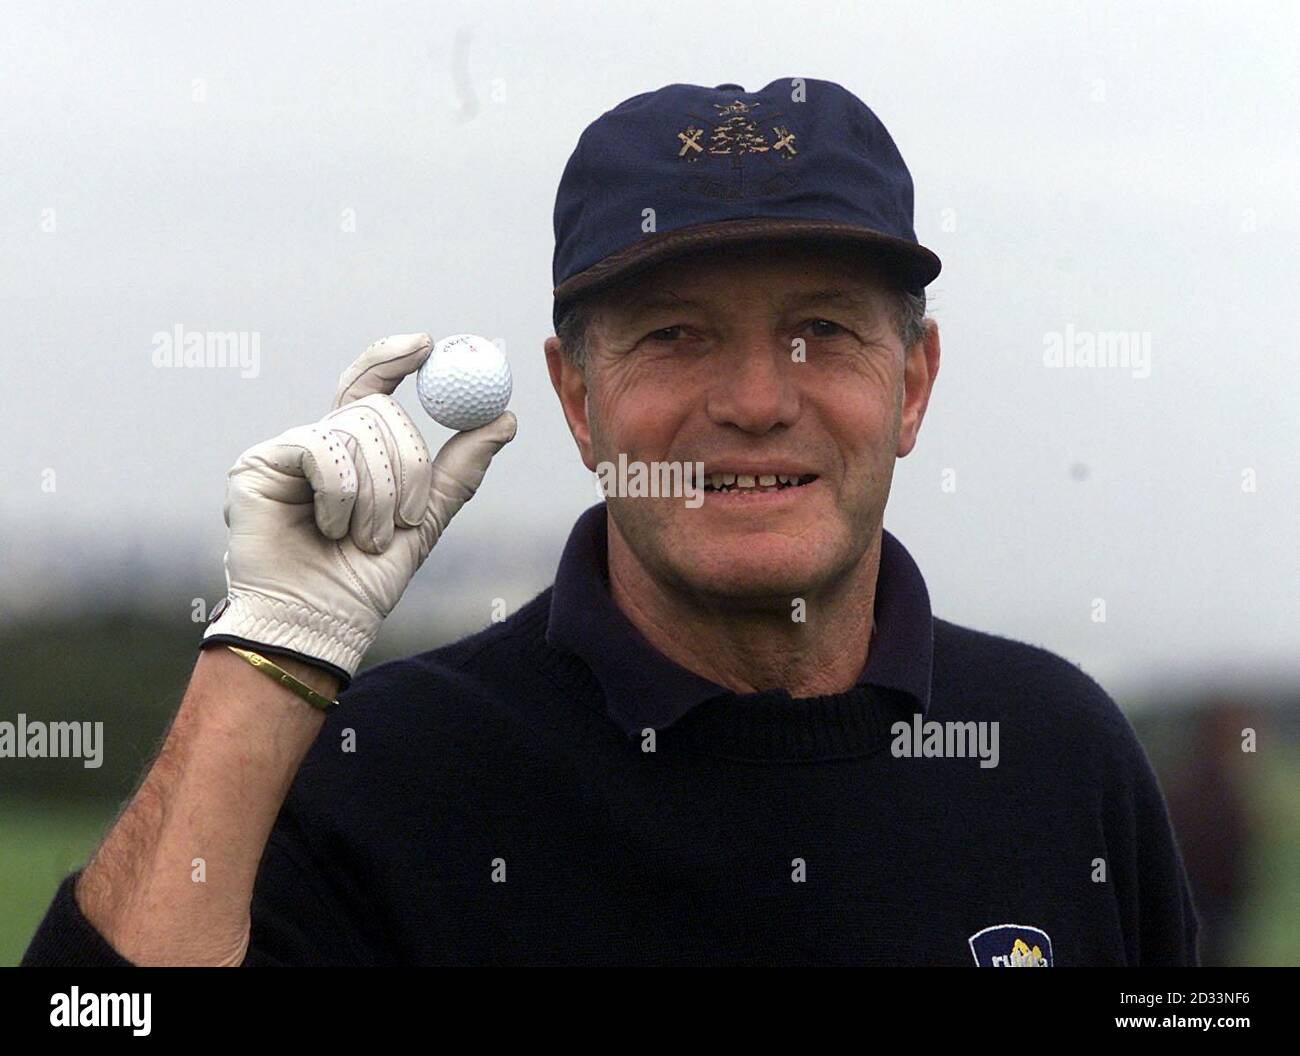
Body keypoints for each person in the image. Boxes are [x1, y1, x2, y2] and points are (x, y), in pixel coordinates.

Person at [23, 77, 1198, 966]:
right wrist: (262, 655)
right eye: (675, 335)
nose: (752, 402)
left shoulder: (1061, 754)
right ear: (578, 399)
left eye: (823, 332)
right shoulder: (386, 775)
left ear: (914, 383)